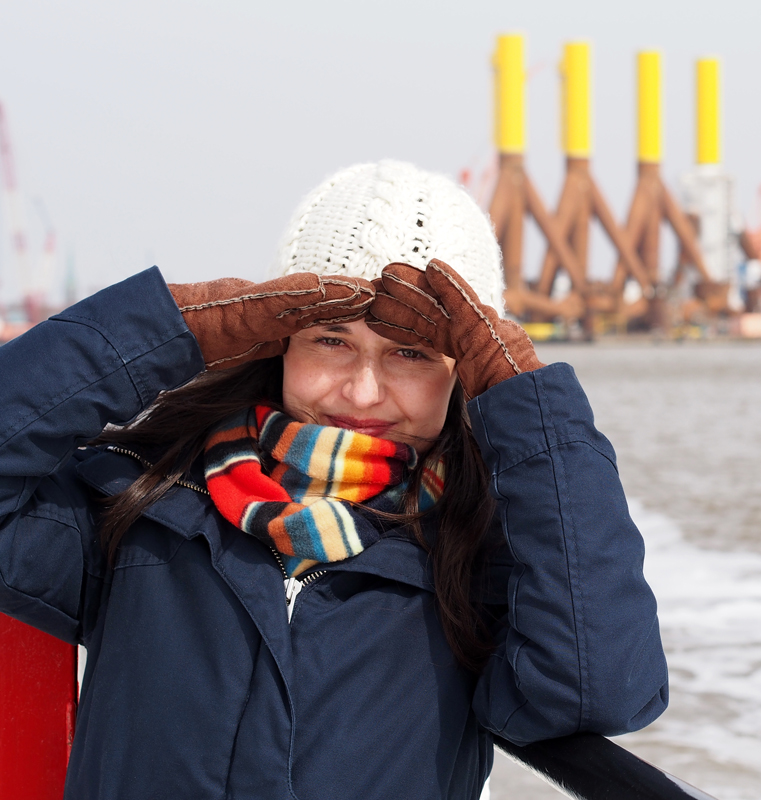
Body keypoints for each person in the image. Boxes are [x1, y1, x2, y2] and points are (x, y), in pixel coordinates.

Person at [0, 161, 668, 799]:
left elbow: (599, 689)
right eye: (330, 339)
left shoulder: (487, 558)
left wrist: (529, 405)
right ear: (275, 337)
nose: (363, 391)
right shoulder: (142, 507)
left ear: (463, 373)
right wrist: (173, 328)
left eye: (409, 353)